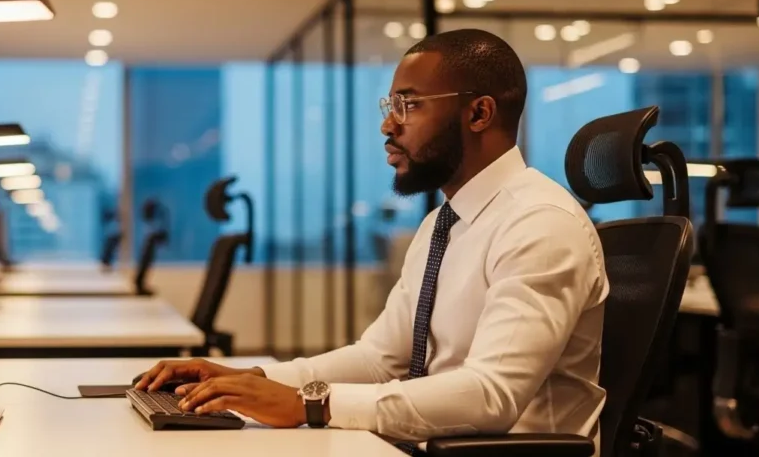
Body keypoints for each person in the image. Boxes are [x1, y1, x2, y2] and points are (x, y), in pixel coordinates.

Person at [135, 29, 608, 453]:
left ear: (479, 113)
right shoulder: (444, 223)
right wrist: (251, 380)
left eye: (410, 104)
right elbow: (381, 360)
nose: (389, 125)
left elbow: (491, 395)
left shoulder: (539, 223)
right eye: (390, 107)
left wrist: (309, 405)